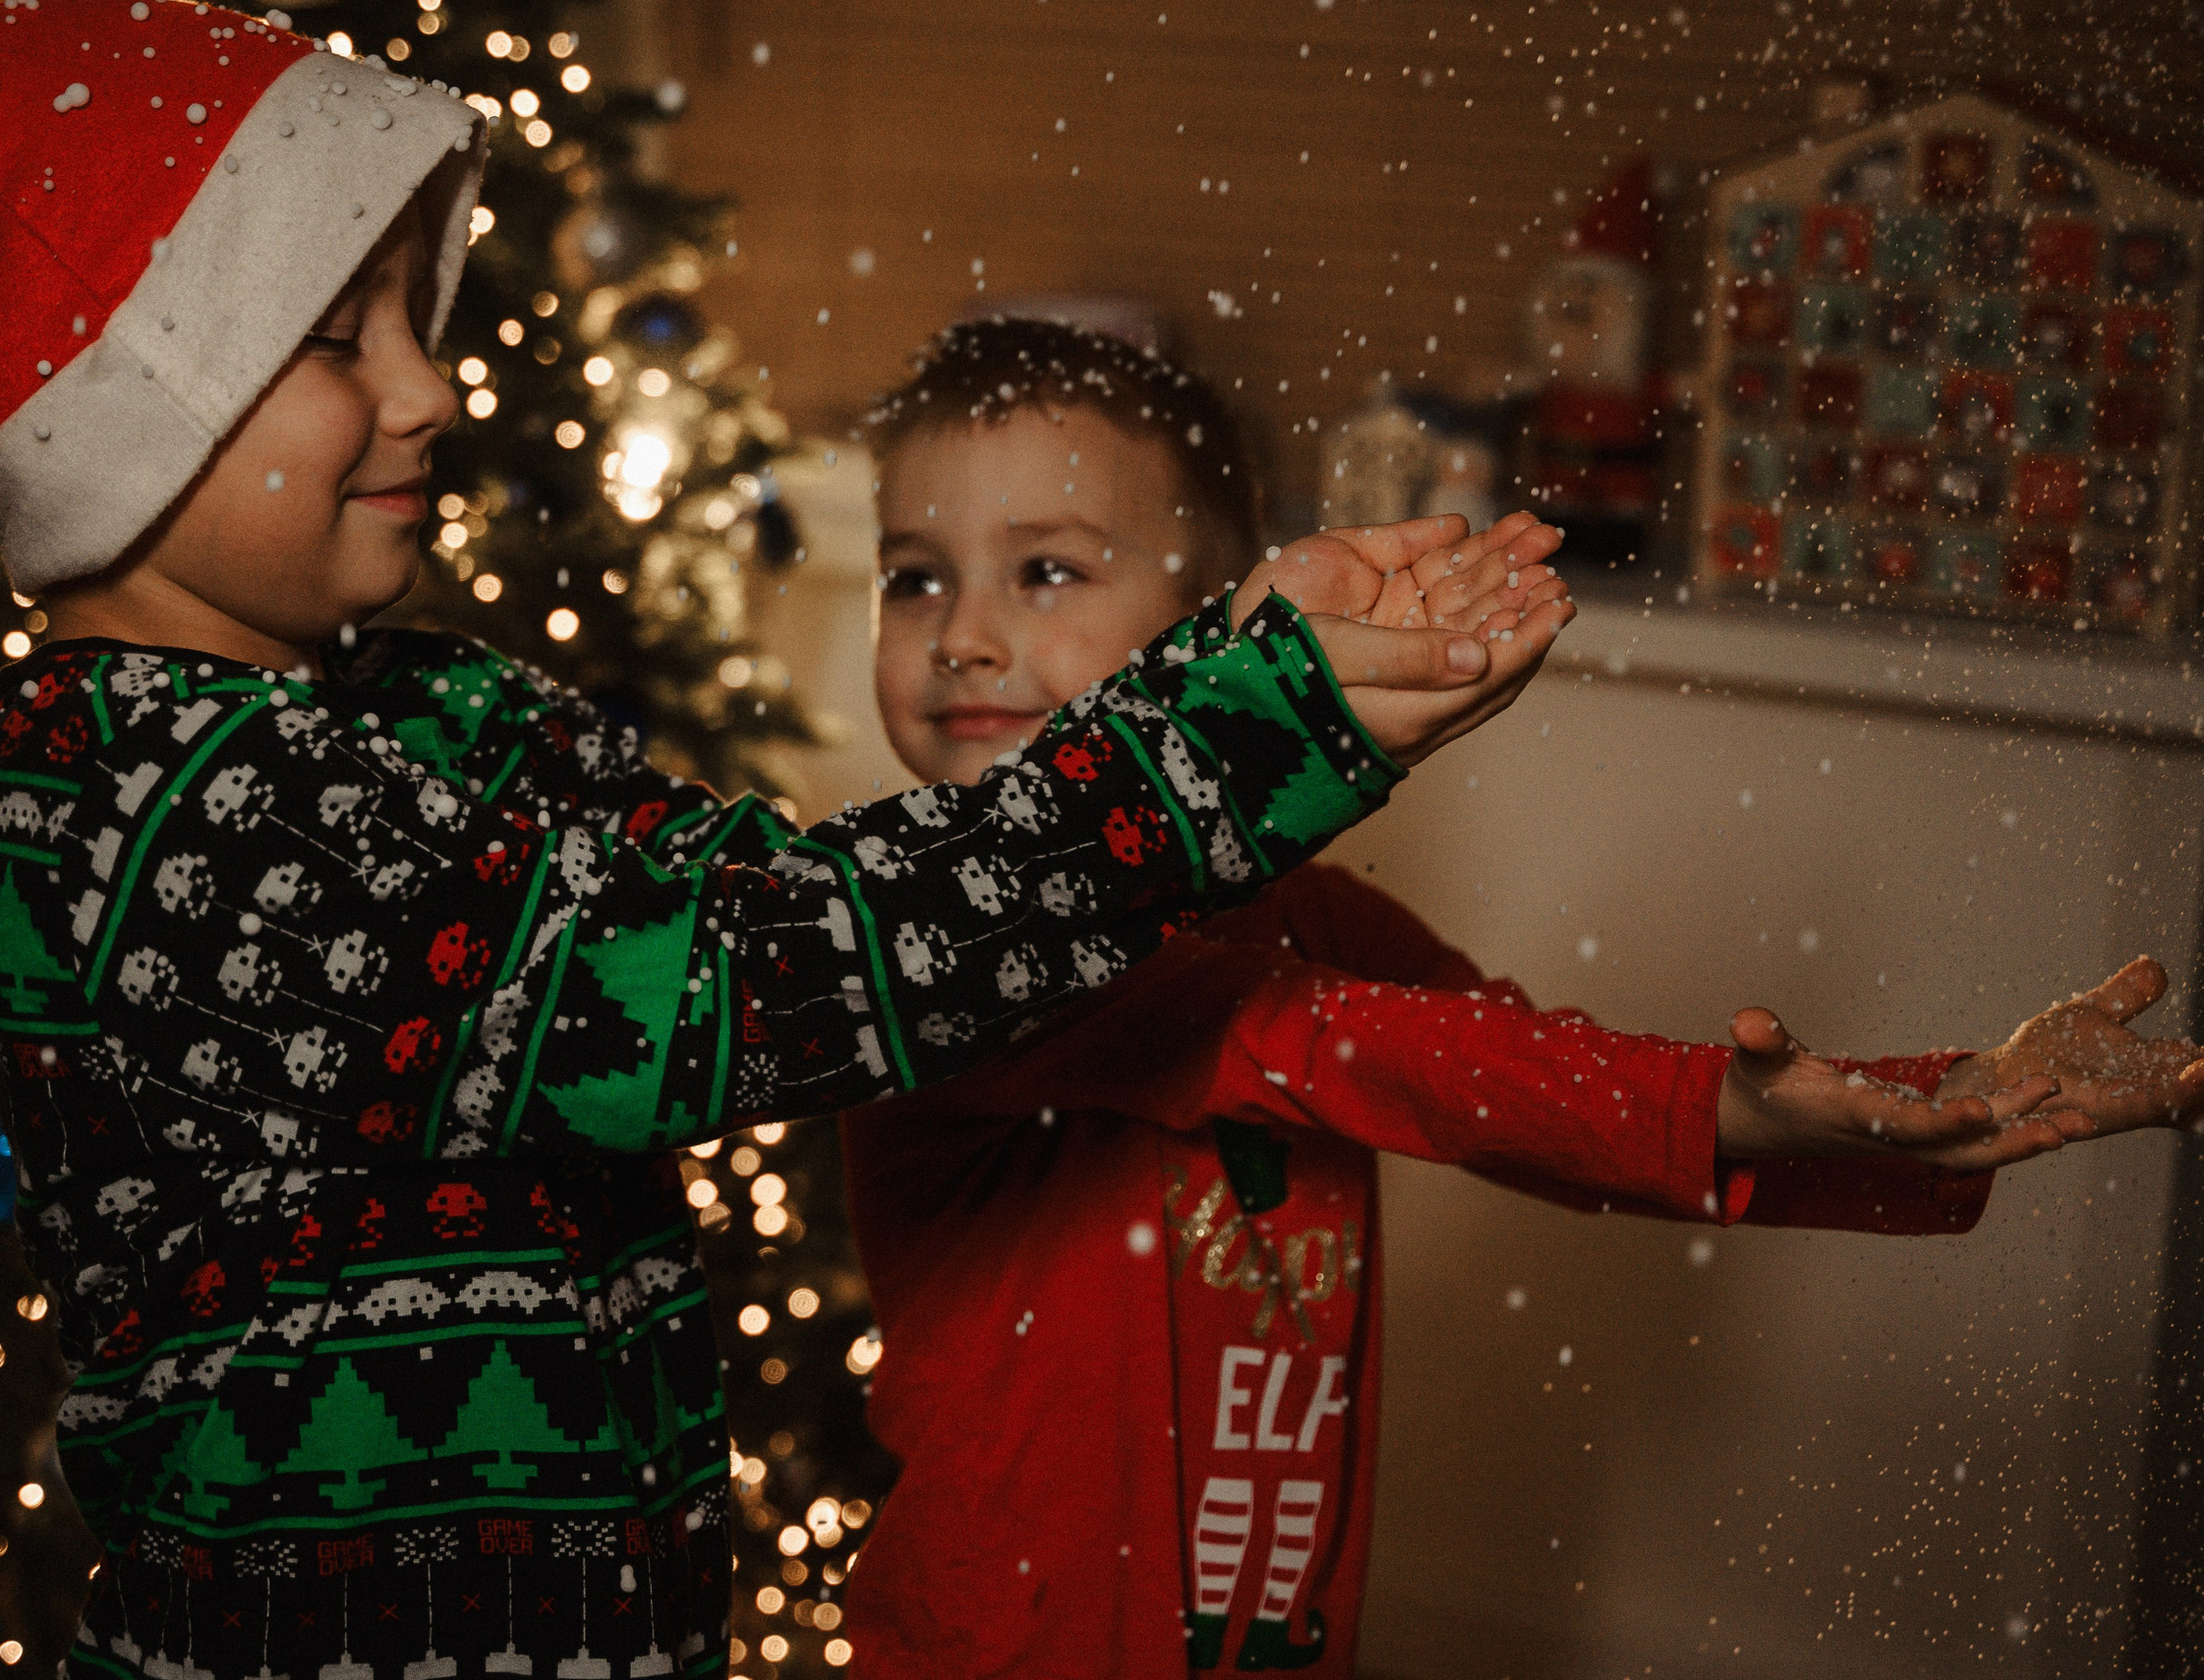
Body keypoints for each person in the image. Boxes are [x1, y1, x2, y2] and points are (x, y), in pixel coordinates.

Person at [0, 13, 1587, 1673]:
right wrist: (1247, 716)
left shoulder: (439, 709)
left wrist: (1231, 668)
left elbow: (808, 902)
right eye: (339, 342)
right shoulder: (176, 824)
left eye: (410, 326)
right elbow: (786, 978)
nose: (432, 387)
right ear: (127, 412)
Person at [832, 317, 2203, 1677]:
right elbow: (1332, 1043)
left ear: (1218, 628)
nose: (961, 634)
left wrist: (1921, 1102)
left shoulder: (1313, 921)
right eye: (912, 578)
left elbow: (1519, 1085)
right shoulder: (937, 952)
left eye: (1045, 568)